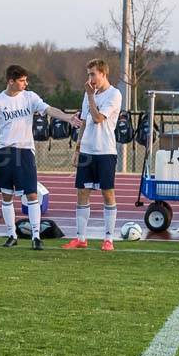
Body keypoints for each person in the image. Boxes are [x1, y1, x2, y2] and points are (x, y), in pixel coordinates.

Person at [0, 64, 72, 250]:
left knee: (32, 193)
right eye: (22, 80)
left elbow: (49, 110)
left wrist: (68, 118)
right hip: (5, 152)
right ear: (11, 81)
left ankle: (35, 236)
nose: (26, 83)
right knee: (6, 195)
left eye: (26, 80)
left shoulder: (30, 97)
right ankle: (11, 235)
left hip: (25, 151)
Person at [62, 59, 123, 251]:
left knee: (107, 193)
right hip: (87, 151)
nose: (90, 78)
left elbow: (97, 119)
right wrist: (77, 149)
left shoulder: (114, 94)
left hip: (105, 151)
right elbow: (85, 122)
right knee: (82, 193)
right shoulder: (89, 94)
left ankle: (108, 239)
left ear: (103, 74)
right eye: (88, 74)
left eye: (93, 74)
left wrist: (90, 97)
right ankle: (81, 238)